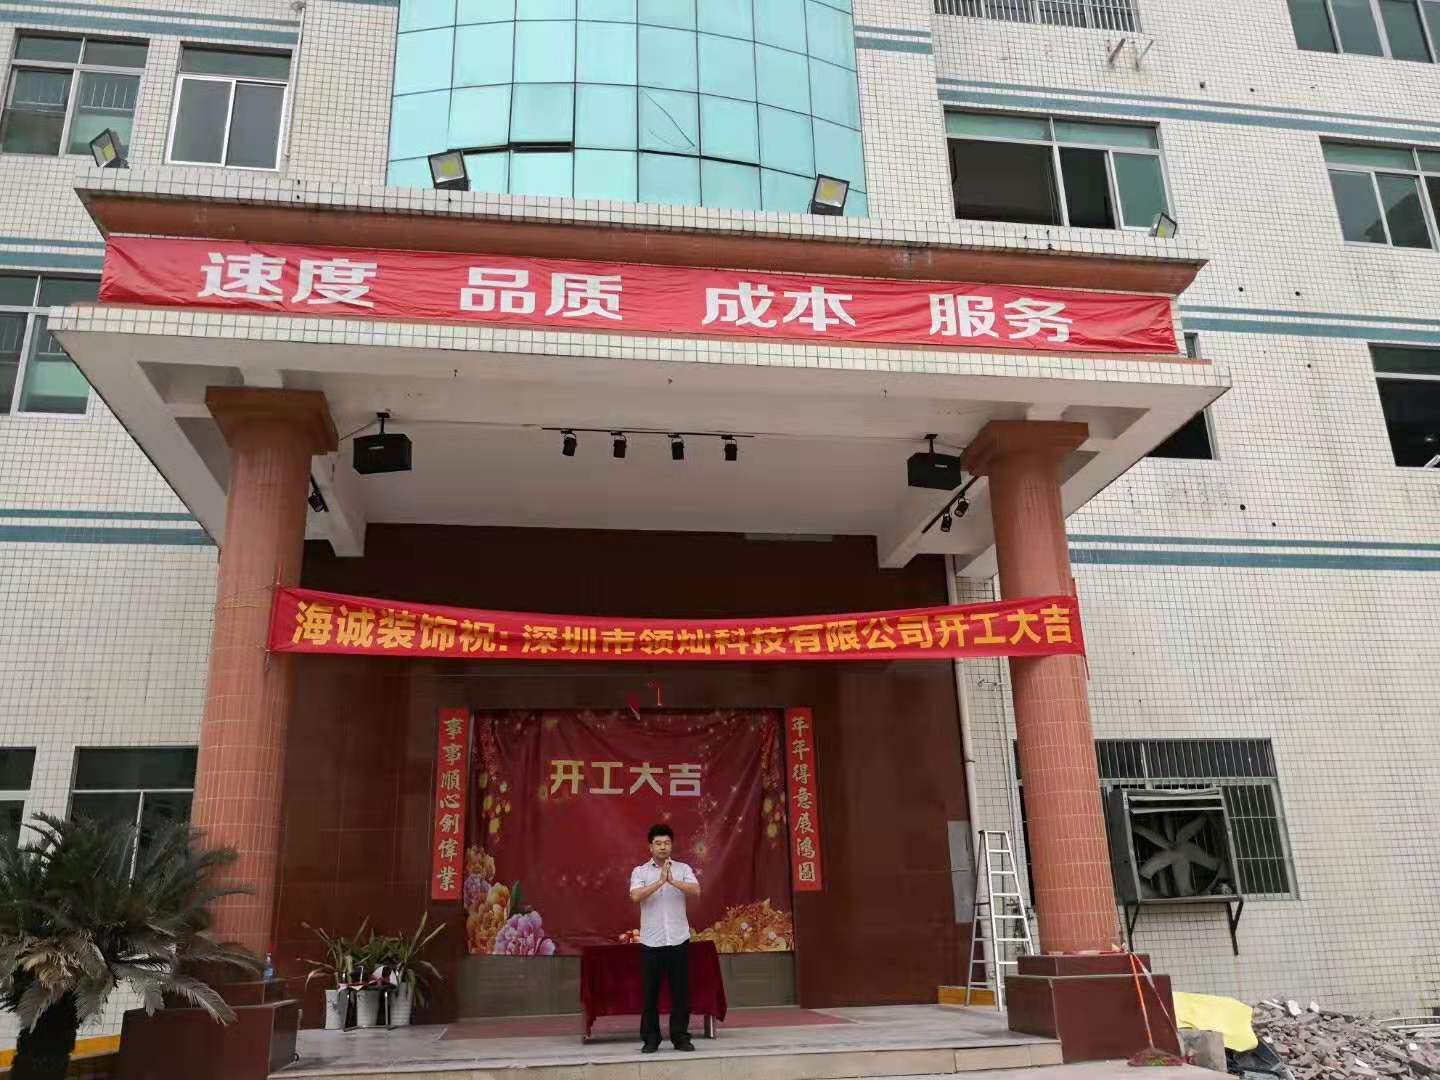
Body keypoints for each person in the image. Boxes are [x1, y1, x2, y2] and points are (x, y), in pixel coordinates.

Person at [628, 823, 701, 1053]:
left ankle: (680, 1037)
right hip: (651, 942)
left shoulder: (683, 868)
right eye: (658, 843)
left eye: (667, 843)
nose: (663, 847)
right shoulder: (640, 872)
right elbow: (635, 896)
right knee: (650, 994)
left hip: (678, 939)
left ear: (672, 845)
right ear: (650, 847)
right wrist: (659, 882)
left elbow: (696, 890)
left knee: (681, 993)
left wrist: (672, 880)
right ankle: (651, 1039)